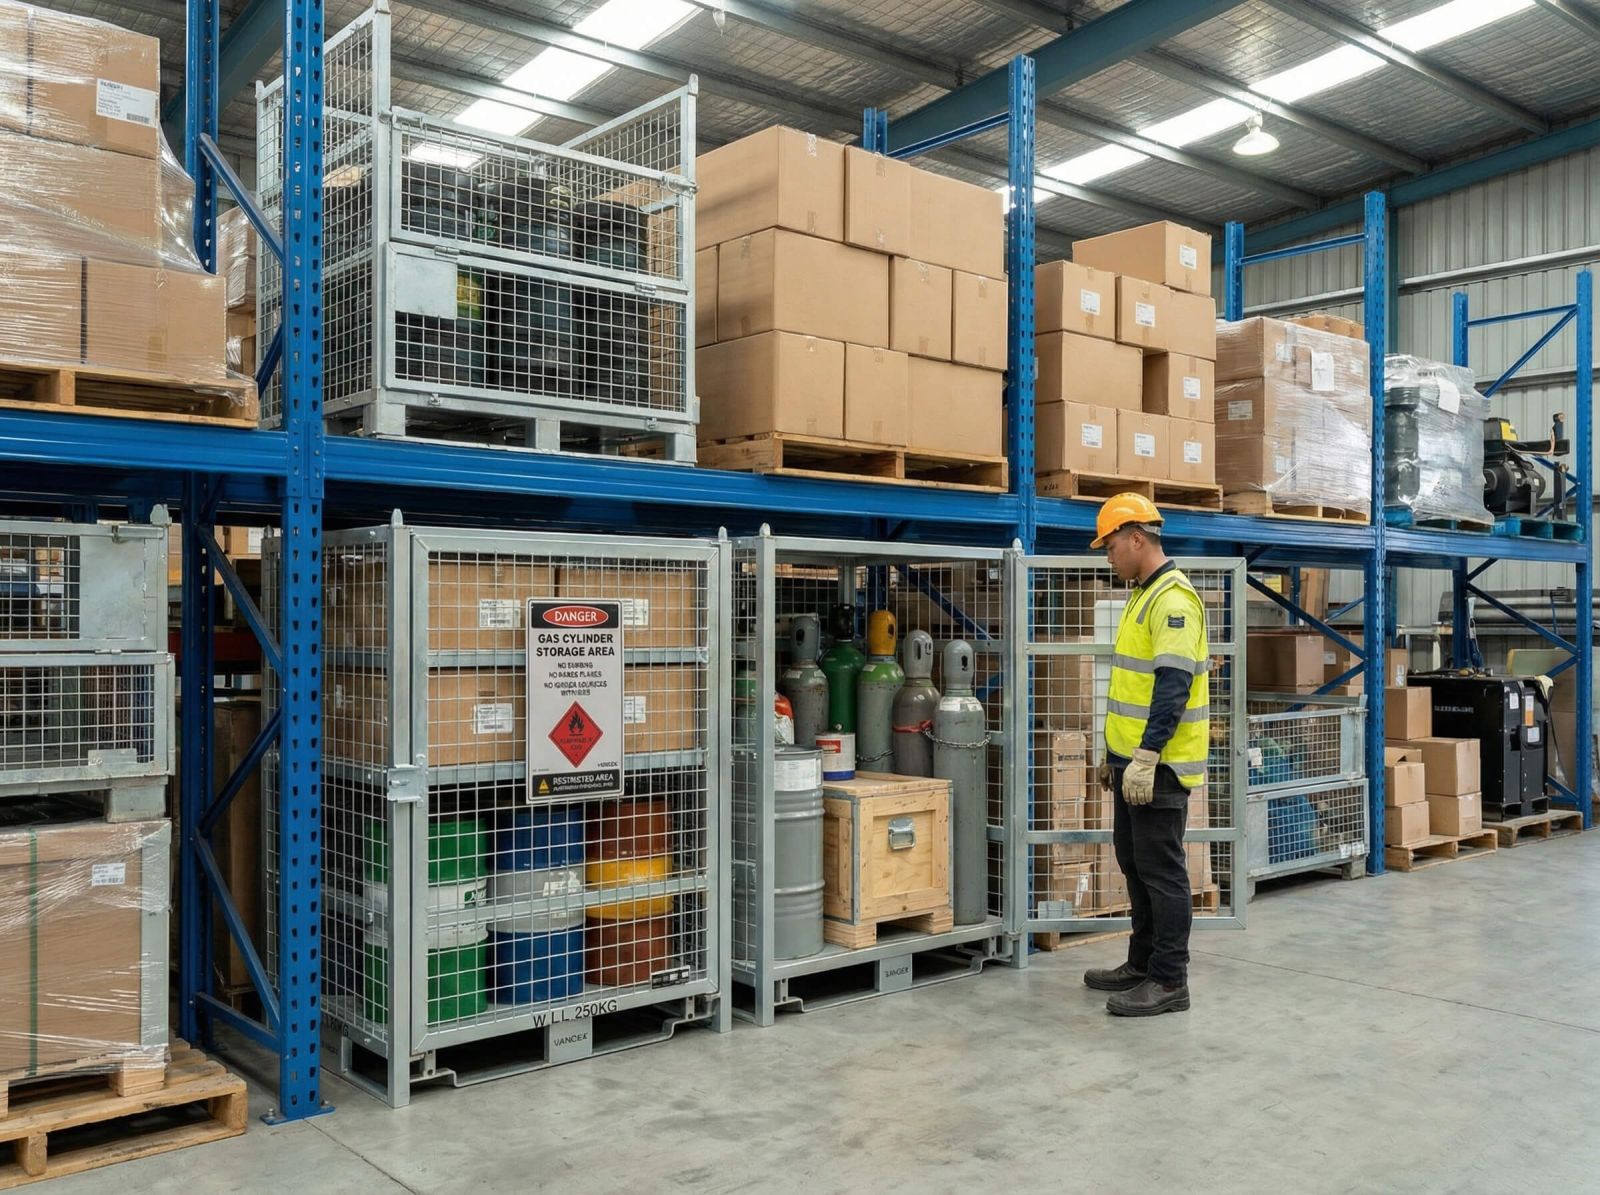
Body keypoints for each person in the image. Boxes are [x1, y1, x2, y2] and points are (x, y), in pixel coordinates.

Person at [1081, 493, 1210, 1017]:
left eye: (1110, 546)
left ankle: (1169, 980)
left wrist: (1146, 755)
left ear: (1137, 538)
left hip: (1158, 767)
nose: (1107, 556)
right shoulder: (1143, 593)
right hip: (1131, 761)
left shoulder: (1172, 601)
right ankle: (1141, 963)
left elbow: (1172, 689)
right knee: (1135, 865)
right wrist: (1114, 755)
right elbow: (1131, 688)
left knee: (1162, 871)